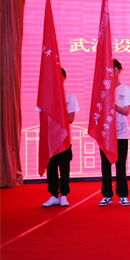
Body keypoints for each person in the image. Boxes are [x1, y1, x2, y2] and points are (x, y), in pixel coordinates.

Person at [99, 59, 130, 207]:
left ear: (120, 70)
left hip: (121, 134)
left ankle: (123, 195)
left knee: (120, 165)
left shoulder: (126, 90)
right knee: (105, 165)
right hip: (106, 134)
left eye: (115, 68)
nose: (113, 71)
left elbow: (126, 111)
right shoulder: (102, 89)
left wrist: (113, 106)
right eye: (110, 69)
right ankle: (106, 195)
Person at [42, 68, 79, 208]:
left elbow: (71, 119)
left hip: (64, 139)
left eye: (60, 76)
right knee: (51, 167)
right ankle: (53, 196)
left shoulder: (70, 97)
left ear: (64, 78)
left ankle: (64, 195)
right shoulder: (45, 97)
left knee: (64, 168)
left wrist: (56, 115)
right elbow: (42, 117)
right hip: (50, 139)